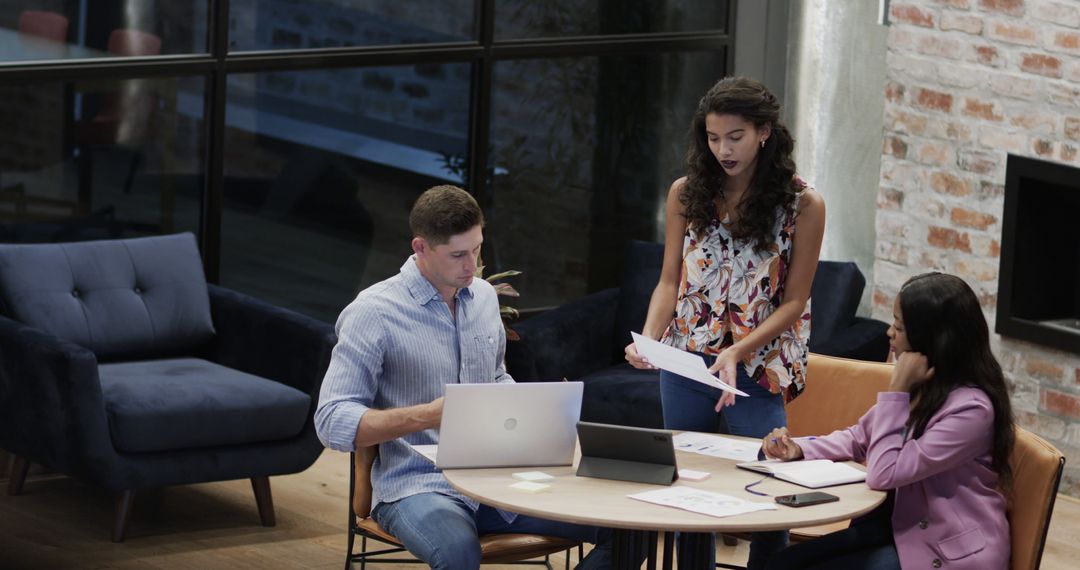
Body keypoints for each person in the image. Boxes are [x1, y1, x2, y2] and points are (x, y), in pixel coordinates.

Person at [315, 185, 614, 569]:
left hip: (497, 481)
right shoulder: (373, 313)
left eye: (476, 249)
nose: (471, 266)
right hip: (417, 486)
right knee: (458, 553)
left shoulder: (484, 298)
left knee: (626, 530)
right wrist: (430, 414)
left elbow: (496, 378)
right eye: (458, 255)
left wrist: (534, 410)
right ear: (420, 248)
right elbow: (331, 421)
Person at [625, 76, 825, 569]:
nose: (723, 150)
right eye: (713, 138)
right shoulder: (686, 194)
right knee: (688, 487)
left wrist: (737, 350)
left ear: (764, 132)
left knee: (767, 487)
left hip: (758, 367)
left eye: (734, 137)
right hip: (688, 360)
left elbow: (795, 301)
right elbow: (670, 282)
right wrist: (650, 340)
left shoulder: (803, 205)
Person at [762, 272, 1015, 570]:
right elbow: (860, 437)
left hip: (949, 551)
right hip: (902, 529)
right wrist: (798, 448)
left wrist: (895, 392)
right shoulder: (926, 387)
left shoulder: (971, 410)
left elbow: (883, 473)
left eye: (899, 326)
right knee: (779, 564)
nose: (889, 334)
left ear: (932, 338)